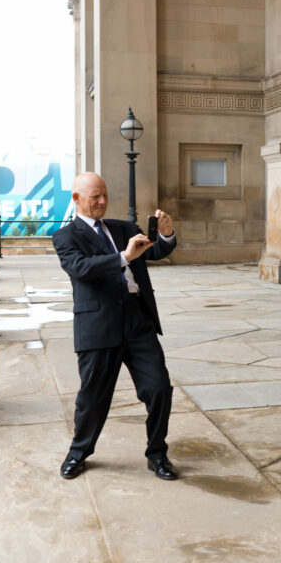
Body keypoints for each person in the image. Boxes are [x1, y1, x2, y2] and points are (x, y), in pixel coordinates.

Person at [52, 172, 180, 482]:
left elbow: (158, 250)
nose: (102, 201)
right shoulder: (65, 236)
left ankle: (157, 454)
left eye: (104, 194)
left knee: (159, 388)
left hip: (138, 321)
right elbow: (80, 268)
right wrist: (123, 257)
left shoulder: (124, 228)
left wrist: (166, 232)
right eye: (95, 196)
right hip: (98, 325)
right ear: (76, 199)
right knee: (93, 398)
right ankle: (78, 453)